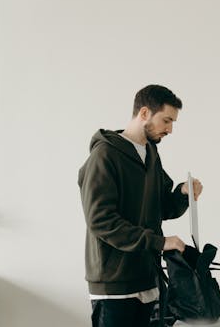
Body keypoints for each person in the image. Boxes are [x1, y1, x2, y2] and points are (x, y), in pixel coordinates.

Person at [78, 84, 202, 327]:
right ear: (144, 113)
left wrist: (182, 193)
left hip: (147, 277)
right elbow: (101, 221)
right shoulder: (104, 156)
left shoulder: (150, 154)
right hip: (115, 285)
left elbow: (163, 206)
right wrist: (159, 242)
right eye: (166, 120)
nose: (170, 129)